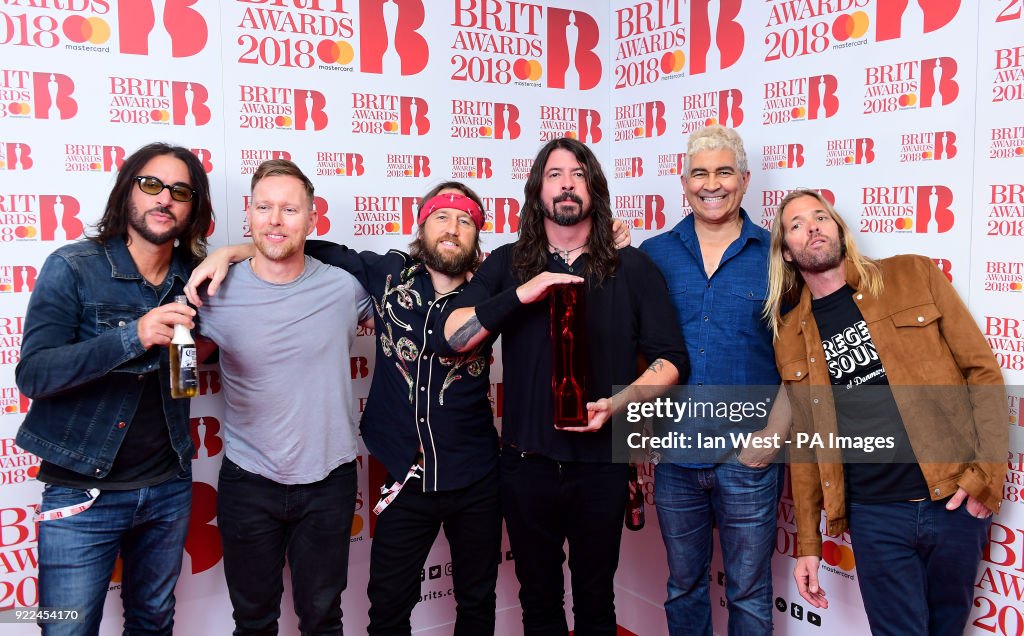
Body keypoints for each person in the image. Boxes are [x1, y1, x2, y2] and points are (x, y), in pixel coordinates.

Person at [188, 181, 502, 635]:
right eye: (441, 216)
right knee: (386, 608)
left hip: (475, 473)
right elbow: (290, 245)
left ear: (478, 236)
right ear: (422, 224)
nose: (452, 228)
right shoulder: (387, 276)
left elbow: (554, 263)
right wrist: (232, 252)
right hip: (401, 475)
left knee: (477, 600)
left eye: (466, 220)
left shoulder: (493, 287)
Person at [436, 137, 687, 635]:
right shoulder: (508, 263)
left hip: (601, 466)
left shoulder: (632, 266)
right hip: (526, 465)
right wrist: (521, 292)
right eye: (554, 174)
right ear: (537, 189)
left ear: (593, 187)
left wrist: (620, 403)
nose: (567, 183)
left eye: (578, 173)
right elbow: (453, 335)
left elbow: (672, 361)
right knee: (539, 601)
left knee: (596, 601)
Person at [765, 188, 1007, 635]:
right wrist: (808, 544)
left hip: (952, 499)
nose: (812, 227)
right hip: (874, 515)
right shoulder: (789, 332)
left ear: (838, 229)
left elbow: (983, 372)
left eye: (820, 217)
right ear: (785, 250)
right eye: (796, 224)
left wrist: (986, 475)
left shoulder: (912, 274)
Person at [15, 142, 214, 634]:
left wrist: (195, 348)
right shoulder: (73, 266)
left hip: (168, 485)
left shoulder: (194, 279)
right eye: (151, 185)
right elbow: (34, 374)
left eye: (180, 191)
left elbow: (184, 375)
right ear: (127, 192)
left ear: (193, 210)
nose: (163, 199)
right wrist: (134, 334)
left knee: (153, 621)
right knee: (66, 627)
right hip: (82, 490)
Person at [196, 159, 371, 635]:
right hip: (249, 482)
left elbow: (414, 305)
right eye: (264, 207)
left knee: (322, 618)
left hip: (328, 482)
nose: (275, 220)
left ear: (313, 220)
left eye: (290, 209)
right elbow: (183, 366)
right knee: (253, 622)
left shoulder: (347, 287)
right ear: (248, 215)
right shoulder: (214, 290)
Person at [638, 125, 784, 635]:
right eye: (699, 173)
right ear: (684, 183)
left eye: (724, 171)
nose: (711, 183)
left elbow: (801, 358)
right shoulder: (651, 254)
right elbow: (637, 352)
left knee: (748, 593)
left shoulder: (775, 255)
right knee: (683, 587)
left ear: (744, 181)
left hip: (749, 458)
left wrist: (772, 438)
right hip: (675, 458)